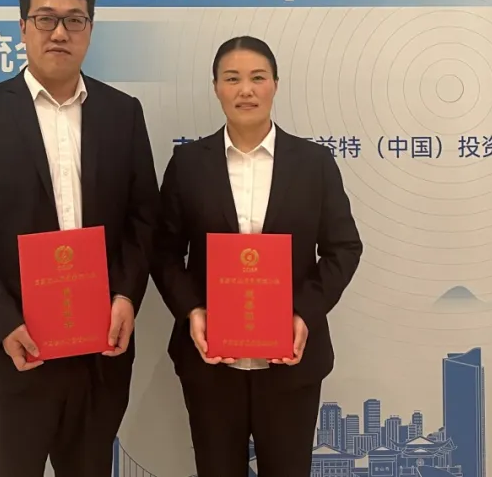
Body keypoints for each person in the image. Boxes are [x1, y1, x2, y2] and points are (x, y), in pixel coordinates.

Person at [0, 0, 160, 477]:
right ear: (23, 27)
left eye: (75, 20)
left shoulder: (123, 114)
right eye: (45, 19)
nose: (60, 32)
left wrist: (126, 296)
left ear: (90, 30)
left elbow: (144, 217)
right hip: (12, 353)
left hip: (98, 354)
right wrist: (2, 322)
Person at [151, 36, 363, 477]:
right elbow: (164, 250)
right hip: (211, 362)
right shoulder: (188, 164)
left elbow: (343, 247)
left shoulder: (314, 163)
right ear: (215, 88)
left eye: (257, 78)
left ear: (275, 85)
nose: (245, 90)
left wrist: (303, 313)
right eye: (232, 79)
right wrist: (192, 310)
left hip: (290, 362)